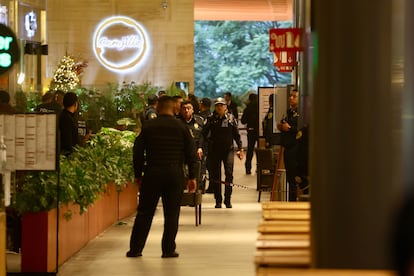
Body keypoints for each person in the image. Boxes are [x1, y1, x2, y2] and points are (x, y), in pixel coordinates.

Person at [126, 96, 197, 259]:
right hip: (174, 174)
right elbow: (191, 153)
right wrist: (192, 176)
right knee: (172, 213)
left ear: (158, 108)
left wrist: (138, 174)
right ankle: (168, 249)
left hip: (153, 173)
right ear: (174, 108)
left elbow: (137, 151)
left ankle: (135, 249)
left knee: (144, 212)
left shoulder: (148, 126)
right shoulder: (181, 127)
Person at [202, 97, 243, 208]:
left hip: (228, 150)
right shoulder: (211, 118)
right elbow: (204, 133)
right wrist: (206, 145)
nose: (219, 107)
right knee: (216, 175)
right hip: (214, 150)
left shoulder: (230, 118)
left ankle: (228, 199)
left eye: (221, 105)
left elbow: (236, 134)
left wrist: (240, 148)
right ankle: (218, 200)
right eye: (217, 105)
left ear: (225, 107)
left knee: (229, 173)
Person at [277, 88, 300, 201]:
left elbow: (302, 129)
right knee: (290, 178)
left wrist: (289, 128)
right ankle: (291, 201)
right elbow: (284, 123)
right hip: (288, 147)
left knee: (297, 178)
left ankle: (295, 202)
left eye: (294, 96)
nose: (291, 98)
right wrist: (281, 126)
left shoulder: (303, 113)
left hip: (297, 148)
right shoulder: (289, 112)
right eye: (290, 96)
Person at [179, 100, 205, 190]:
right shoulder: (177, 122)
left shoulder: (199, 121)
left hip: (196, 151)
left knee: (197, 173)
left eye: (188, 108)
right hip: (181, 152)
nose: (186, 111)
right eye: (184, 109)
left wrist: (200, 147)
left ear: (193, 110)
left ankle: (196, 194)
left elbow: (202, 135)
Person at [241, 93, 259, 175]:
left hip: (251, 131)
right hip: (259, 131)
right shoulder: (260, 107)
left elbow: (243, 120)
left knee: (250, 150)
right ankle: (259, 167)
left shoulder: (248, 108)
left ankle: (248, 168)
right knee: (260, 150)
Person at [198, 97, 213, 193]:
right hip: (212, 144)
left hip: (204, 144)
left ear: (202, 104)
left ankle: (201, 187)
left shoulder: (200, 117)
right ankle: (212, 187)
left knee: (202, 166)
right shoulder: (212, 116)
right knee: (212, 167)